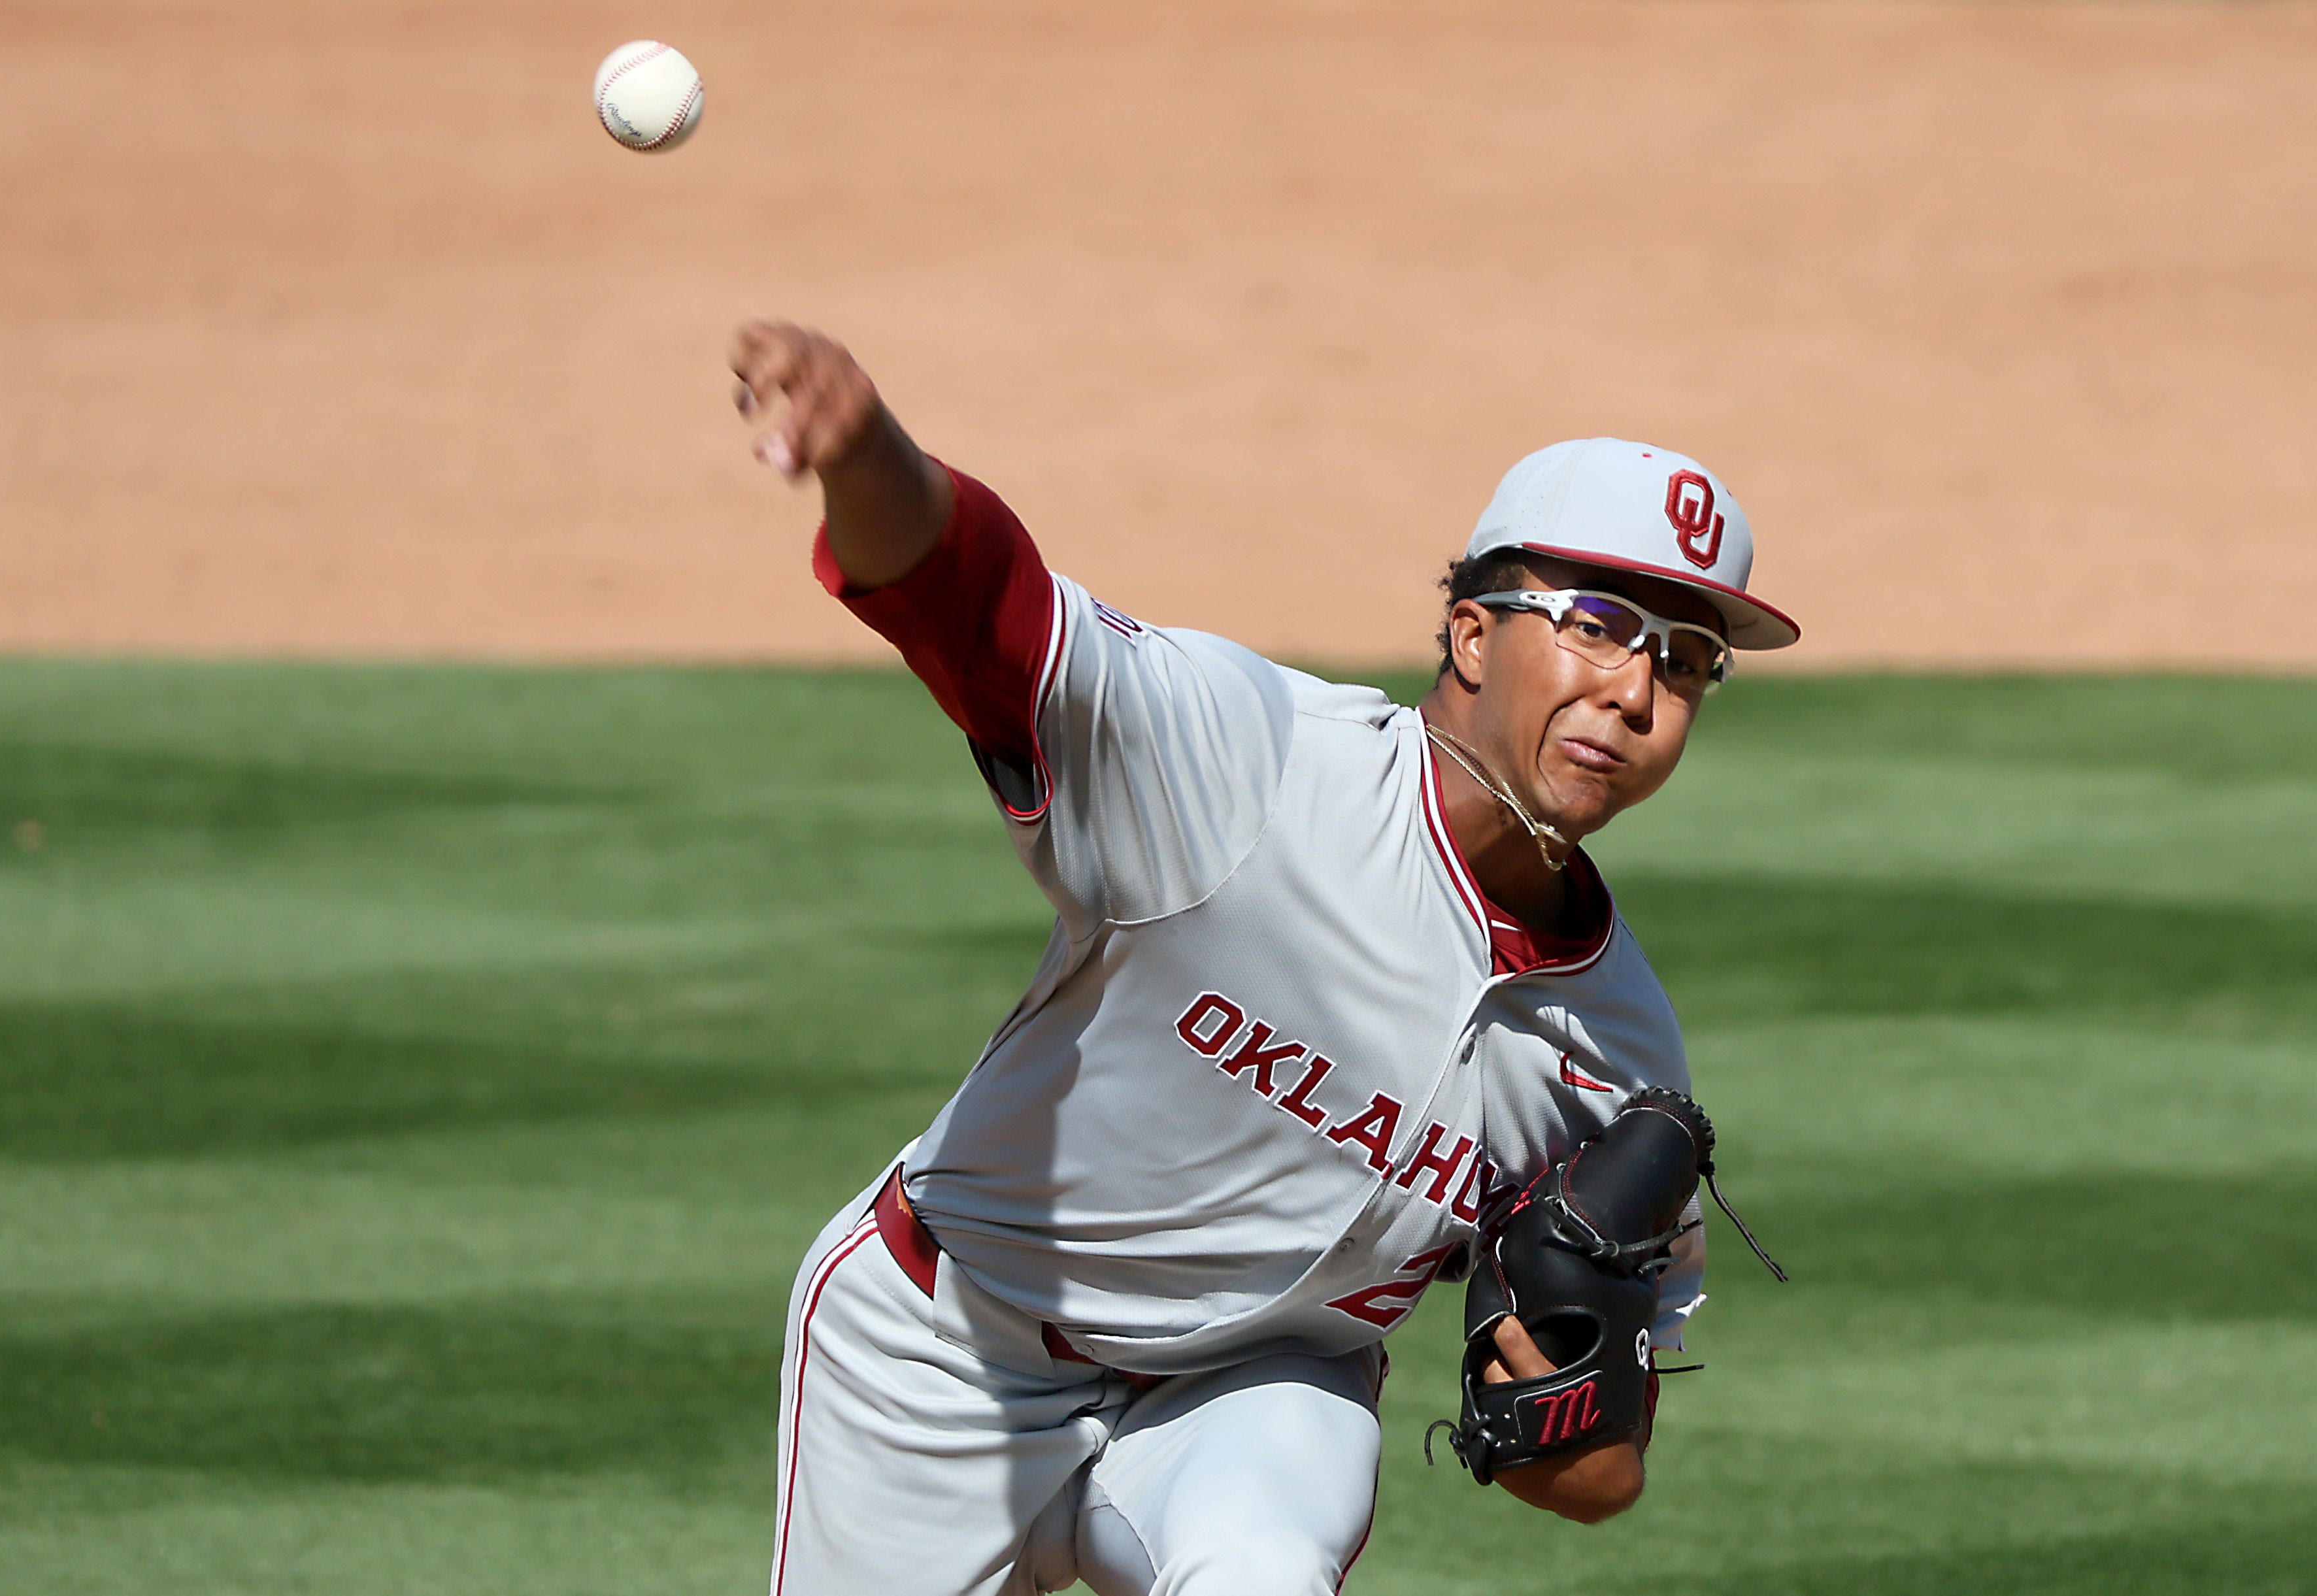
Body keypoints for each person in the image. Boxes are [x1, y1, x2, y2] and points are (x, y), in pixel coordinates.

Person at [735, 322, 1800, 1596]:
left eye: (1683, 662)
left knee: (1260, 1563)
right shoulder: (1249, 764)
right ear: (1469, 634)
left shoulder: (1616, 1061)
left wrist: (1562, 1408)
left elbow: (1591, 1477)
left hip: (1250, 1395)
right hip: (943, 1345)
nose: (1633, 692)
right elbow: (974, 604)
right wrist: (867, 456)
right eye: (1595, 625)